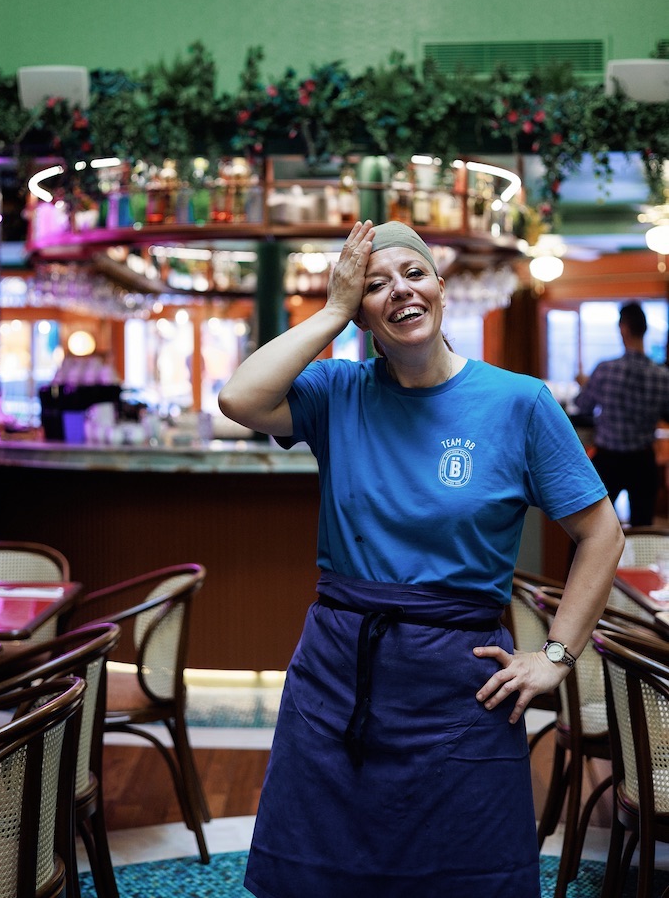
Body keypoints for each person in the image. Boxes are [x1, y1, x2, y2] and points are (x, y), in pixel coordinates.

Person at [219, 220, 624, 898]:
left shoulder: (518, 402)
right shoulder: (336, 393)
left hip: (462, 682)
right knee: (321, 879)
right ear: (361, 309)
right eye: (374, 285)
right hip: (337, 675)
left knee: (468, 878)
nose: (398, 291)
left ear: (441, 284)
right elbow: (239, 398)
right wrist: (332, 310)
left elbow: (602, 533)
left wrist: (555, 656)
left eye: (412, 273)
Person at [575, 300, 669, 527]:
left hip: (609, 460)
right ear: (644, 330)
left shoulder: (606, 369)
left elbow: (583, 405)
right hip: (643, 460)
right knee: (642, 528)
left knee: (593, 528)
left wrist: (586, 383)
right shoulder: (662, 376)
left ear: (623, 328)